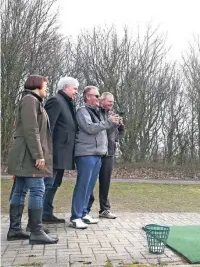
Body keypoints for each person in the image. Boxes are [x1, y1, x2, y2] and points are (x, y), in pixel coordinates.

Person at [7, 74, 58, 244]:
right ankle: (36, 231)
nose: (47, 88)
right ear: (37, 85)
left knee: (20, 190)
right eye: (45, 85)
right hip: (28, 156)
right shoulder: (30, 100)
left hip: (25, 155)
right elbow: (31, 130)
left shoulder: (33, 101)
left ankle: (14, 230)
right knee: (38, 189)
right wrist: (39, 155)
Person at [70, 86, 119, 229]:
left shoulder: (98, 112)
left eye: (98, 96)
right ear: (87, 97)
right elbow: (90, 128)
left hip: (98, 154)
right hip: (86, 153)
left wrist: (115, 124)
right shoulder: (82, 111)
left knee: (90, 186)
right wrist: (108, 122)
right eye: (96, 96)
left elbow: (104, 129)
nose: (98, 98)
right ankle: (76, 216)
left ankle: (84, 212)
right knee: (83, 185)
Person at [42, 77, 79, 224]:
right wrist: (46, 151)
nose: (76, 91)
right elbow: (47, 128)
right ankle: (37, 218)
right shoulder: (55, 101)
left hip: (63, 153)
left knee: (55, 184)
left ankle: (46, 213)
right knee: (47, 184)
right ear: (65, 88)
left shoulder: (68, 103)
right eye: (74, 88)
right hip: (54, 152)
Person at [87, 92, 124, 219]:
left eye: (112, 102)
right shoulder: (96, 113)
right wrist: (111, 123)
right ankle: (86, 208)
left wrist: (119, 126)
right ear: (102, 101)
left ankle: (105, 209)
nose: (111, 104)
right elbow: (102, 130)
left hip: (109, 152)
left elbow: (119, 133)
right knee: (90, 181)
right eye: (109, 102)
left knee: (105, 182)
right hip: (96, 151)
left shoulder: (112, 114)